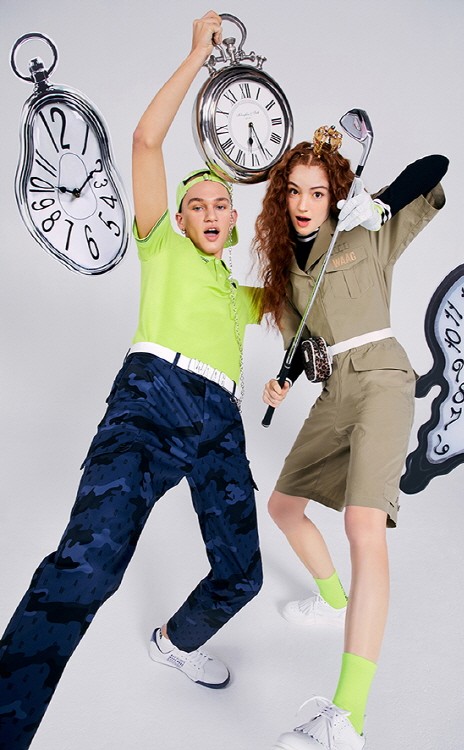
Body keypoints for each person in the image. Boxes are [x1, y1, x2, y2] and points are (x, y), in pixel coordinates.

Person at [0, 11, 263, 750]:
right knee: (90, 569)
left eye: (220, 206)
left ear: (233, 221)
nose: (208, 213)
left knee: (242, 574)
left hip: (221, 420)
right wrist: (197, 55)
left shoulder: (238, 293)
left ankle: (175, 642)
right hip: (153, 401)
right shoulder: (161, 248)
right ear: (178, 217)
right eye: (196, 205)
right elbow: (147, 142)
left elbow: (300, 295)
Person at [254, 126, 448, 749]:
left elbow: (436, 164)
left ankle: (348, 719)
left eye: (317, 192)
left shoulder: (364, 230)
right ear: (281, 198)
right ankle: (333, 599)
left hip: (383, 380)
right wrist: (283, 381)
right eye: (294, 191)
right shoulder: (288, 272)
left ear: (334, 195)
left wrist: (378, 202)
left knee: (364, 527)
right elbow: (301, 344)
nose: (304, 203)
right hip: (335, 390)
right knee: (283, 506)